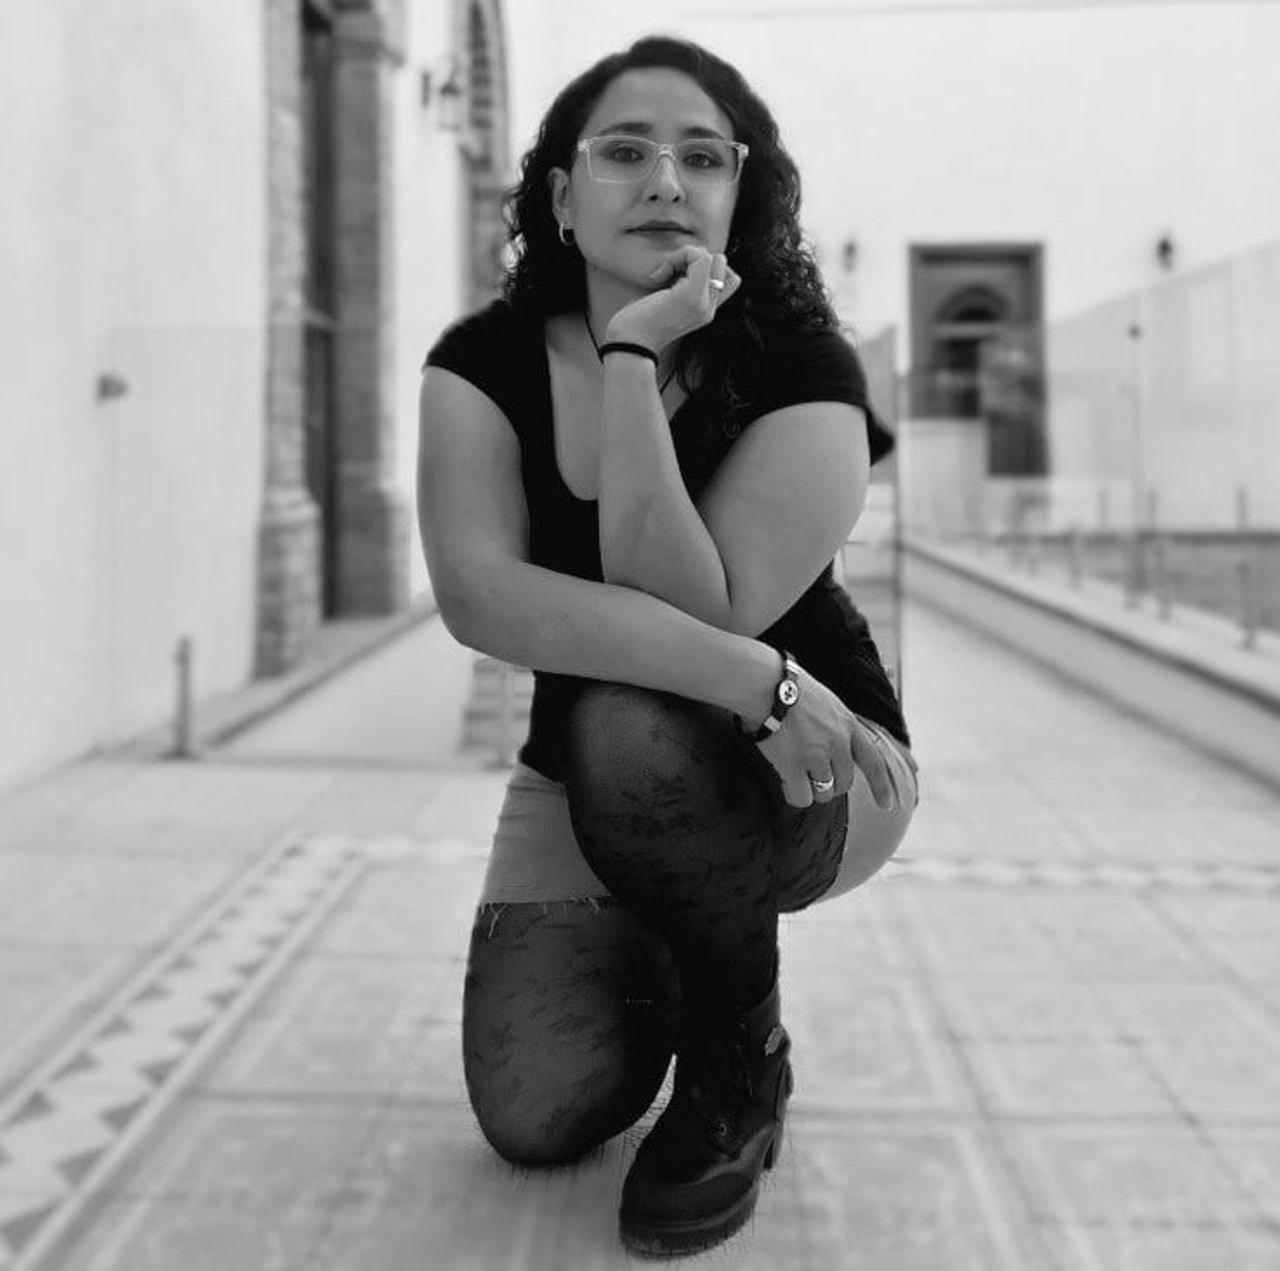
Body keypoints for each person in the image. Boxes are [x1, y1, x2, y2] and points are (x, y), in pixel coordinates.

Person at [418, 33, 917, 1259]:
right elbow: (479, 598)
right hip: (675, 737)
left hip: (816, 759)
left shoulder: (803, 366)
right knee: (537, 1111)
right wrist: (757, 681)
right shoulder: (482, 363)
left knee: (631, 723)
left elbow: (705, 605)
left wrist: (633, 356)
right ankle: (678, 919)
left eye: (702, 157)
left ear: (740, 195)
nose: (664, 180)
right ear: (560, 195)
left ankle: (739, 1056)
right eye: (624, 151)